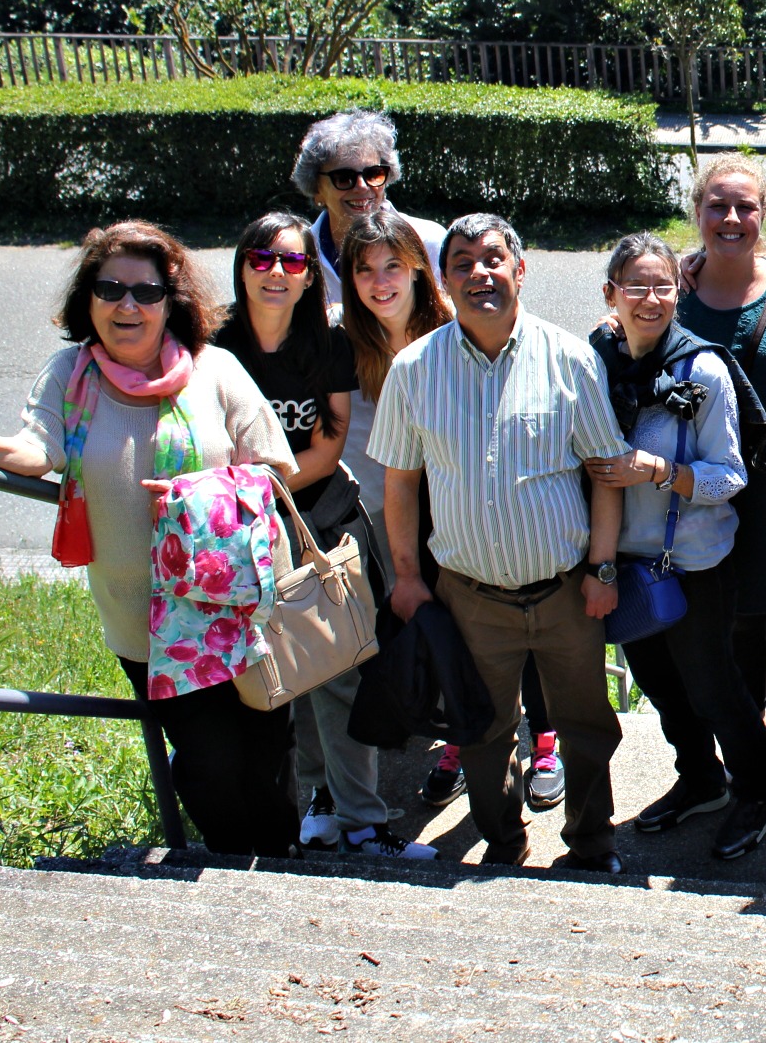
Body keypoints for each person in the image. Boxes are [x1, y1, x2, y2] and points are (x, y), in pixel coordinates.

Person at [0, 222, 299, 856]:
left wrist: (201, 496)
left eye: (146, 292)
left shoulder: (215, 369)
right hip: (146, 623)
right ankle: (234, 869)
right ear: (87, 299)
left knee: (267, 752)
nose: (127, 305)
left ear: (171, 301)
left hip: (242, 611)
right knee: (209, 762)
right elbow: (39, 449)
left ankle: (283, 865)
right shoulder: (71, 375)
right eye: (110, 289)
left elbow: (275, 467)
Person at [367, 213, 631, 872]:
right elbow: (400, 483)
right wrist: (408, 577)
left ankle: (592, 845)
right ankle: (504, 845)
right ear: (443, 279)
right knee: (481, 729)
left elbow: (606, 473)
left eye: (493, 258)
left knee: (586, 726)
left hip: (566, 592)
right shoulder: (414, 369)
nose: (479, 273)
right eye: (462, 262)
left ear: (520, 269)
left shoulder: (569, 358)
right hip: (470, 597)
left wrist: (602, 569)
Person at [211, 212, 436, 862]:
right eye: (262, 259)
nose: (277, 272)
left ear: (312, 274)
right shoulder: (215, 345)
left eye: (292, 261)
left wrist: (258, 483)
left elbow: (328, 443)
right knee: (284, 671)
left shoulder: (328, 341)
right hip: (241, 529)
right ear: (241, 267)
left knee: (338, 668)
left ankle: (362, 823)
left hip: (318, 522)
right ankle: (319, 801)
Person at [338, 209, 564, 813]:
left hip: (482, 500)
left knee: (522, 603)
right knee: (453, 631)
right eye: (365, 269)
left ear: (421, 272)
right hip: (406, 506)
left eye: (394, 265)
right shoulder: (346, 336)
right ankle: (460, 739)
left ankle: (544, 739)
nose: (381, 281)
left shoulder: (459, 320)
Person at [585, 234, 766, 861]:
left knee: (713, 688)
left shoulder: (702, 370)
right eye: (636, 286)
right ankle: (701, 780)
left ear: (678, 292)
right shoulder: (597, 362)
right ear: (611, 294)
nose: (651, 299)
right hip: (626, 560)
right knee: (661, 687)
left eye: (663, 286)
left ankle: (758, 795)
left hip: (693, 562)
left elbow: (731, 476)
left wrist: (659, 471)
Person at [676, 156, 766, 794]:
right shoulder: (673, 293)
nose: (731, 218)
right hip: (709, 486)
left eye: (745, 207)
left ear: (765, 214)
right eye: (718, 205)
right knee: (730, 612)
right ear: (698, 213)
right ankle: (751, 723)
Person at [291, 111, 446, 307]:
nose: (362, 187)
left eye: (373, 174)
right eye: (343, 178)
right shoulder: (298, 255)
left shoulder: (428, 241)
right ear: (316, 190)